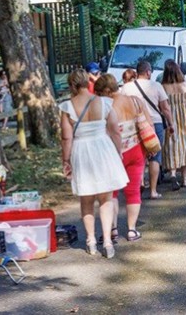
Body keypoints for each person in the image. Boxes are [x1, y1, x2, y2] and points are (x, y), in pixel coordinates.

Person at [59, 69, 128, 258]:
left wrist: (66, 160)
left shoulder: (67, 106)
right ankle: (107, 241)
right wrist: (118, 152)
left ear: (72, 85)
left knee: (86, 199)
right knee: (106, 199)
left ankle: (90, 241)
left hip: (81, 151)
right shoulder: (104, 102)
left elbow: (66, 137)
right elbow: (115, 131)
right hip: (103, 148)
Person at [96, 73, 152, 243]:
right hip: (136, 150)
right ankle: (131, 230)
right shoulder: (135, 101)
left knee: (111, 193)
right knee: (133, 191)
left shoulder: (104, 106)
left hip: (113, 153)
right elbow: (148, 123)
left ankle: (112, 230)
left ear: (106, 91)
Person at [121, 61, 175, 200]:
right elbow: (165, 108)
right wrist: (171, 123)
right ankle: (153, 190)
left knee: (139, 156)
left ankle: (140, 183)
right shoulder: (156, 86)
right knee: (155, 157)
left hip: (133, 125)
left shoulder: (126, 88)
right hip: (154, 124)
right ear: (148, 72)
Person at [161, 59, 186, 188]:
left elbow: (162, 105)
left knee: (171, 145)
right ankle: (184, 179)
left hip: (170, 117)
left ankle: (172, 174)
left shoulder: (163, 86)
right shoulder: (185, 84)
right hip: (185, 117)